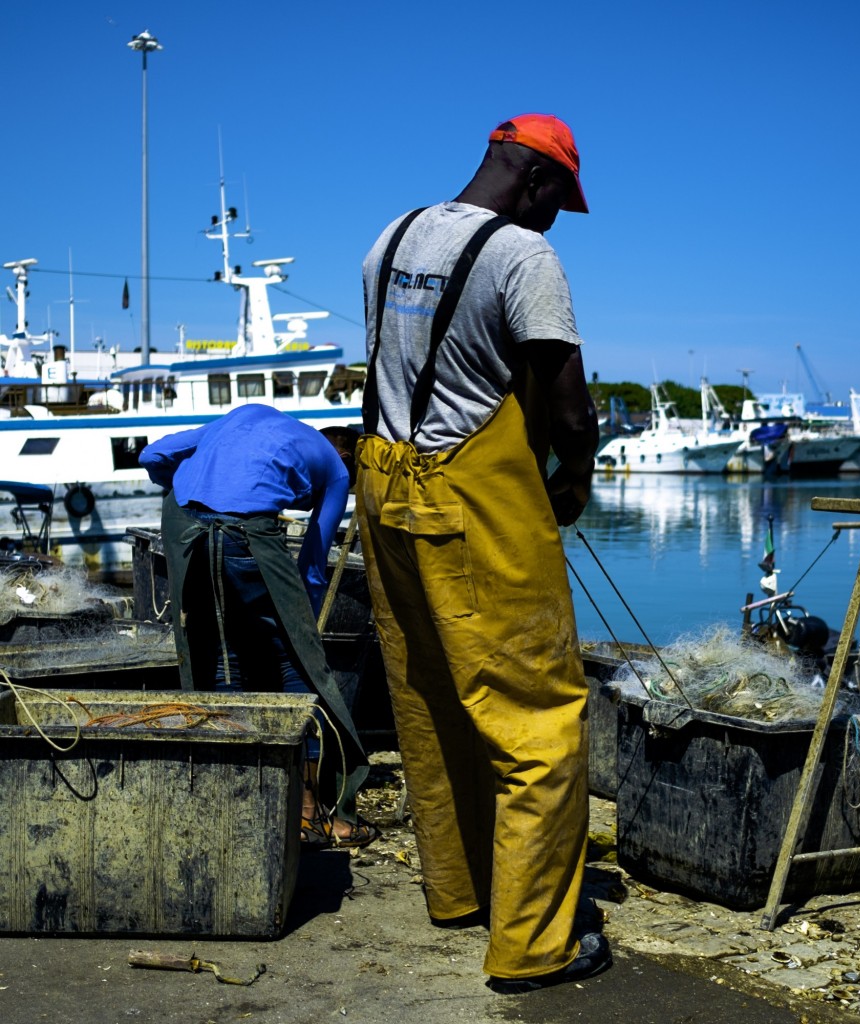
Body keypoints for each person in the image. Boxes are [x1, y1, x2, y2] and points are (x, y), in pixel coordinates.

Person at [355, 113, 607, 993]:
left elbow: (392, 371)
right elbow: (569, 410)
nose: (553, 223)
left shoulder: (391, 239)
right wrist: (572, 481)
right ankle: (536, 944)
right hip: (474, 495)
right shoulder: (523, 257)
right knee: (537, 714)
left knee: (431, 694)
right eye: (556, 204)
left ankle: (460, 892)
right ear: (537, 180)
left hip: (384, 483)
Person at [138, 404, 375, 848]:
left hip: (185, 526)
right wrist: (302, 621)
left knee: (223, 660)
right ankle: (309, 812)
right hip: (246, 535)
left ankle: (235, 804)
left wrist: (201, 491)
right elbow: (312, 568)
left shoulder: (242, 417)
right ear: (345, 457)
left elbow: (153, 455)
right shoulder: (337, 470)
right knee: (295, 666)